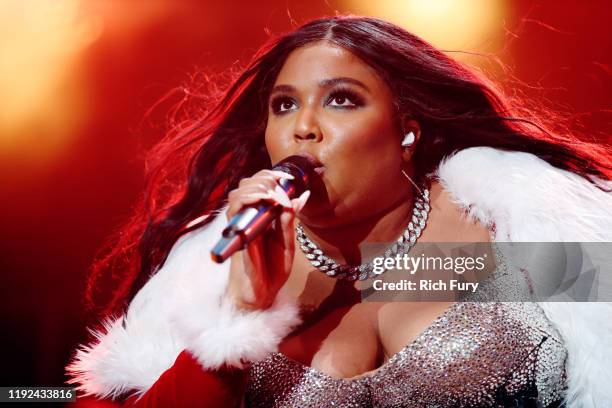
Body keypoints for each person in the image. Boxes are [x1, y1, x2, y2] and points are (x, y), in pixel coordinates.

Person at [66, 16, 612, 407]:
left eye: (342, 99)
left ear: (407, 130)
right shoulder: (216, 271)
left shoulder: (516, 222)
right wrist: (237, 323)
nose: (304, 127)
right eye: (284, 105)